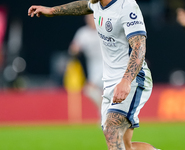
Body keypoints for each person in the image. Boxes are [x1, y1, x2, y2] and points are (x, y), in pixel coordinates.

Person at [28, 0, 157, 149]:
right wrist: (52, 11)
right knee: (125, 145)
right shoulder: (96, 3)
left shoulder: (126, 5)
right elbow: (84, 6)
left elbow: (139, 46)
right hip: (109, 82)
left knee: (112, 129)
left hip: (132, 78)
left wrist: (126, 81)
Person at [69, 14, 103, 109]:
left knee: (94, 89)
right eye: (88, 18)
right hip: (93, 65)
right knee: (90, 90)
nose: (90, 20)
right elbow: (74, 47)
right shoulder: (83, 33)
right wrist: (74, 50)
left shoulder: (105, 30)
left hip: (107, 63)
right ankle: (104, 110)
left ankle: (107, 111)